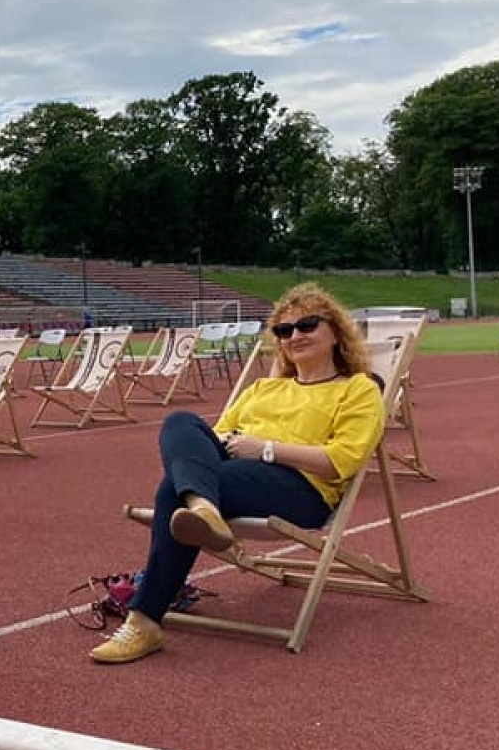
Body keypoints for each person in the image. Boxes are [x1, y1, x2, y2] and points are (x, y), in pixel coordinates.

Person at [90, 283, 385, 664]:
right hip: (234, 476)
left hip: (302, 490)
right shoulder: (263, 389)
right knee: (180, 421)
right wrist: (230, 448)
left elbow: (342, 459)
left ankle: (145, 618)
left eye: (307, 325)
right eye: (284, 330)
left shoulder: (357, 389)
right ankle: (203, 510)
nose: (295, 336)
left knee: (172, 488)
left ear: (336, 333)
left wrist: (264, 448)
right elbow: (214, 440)